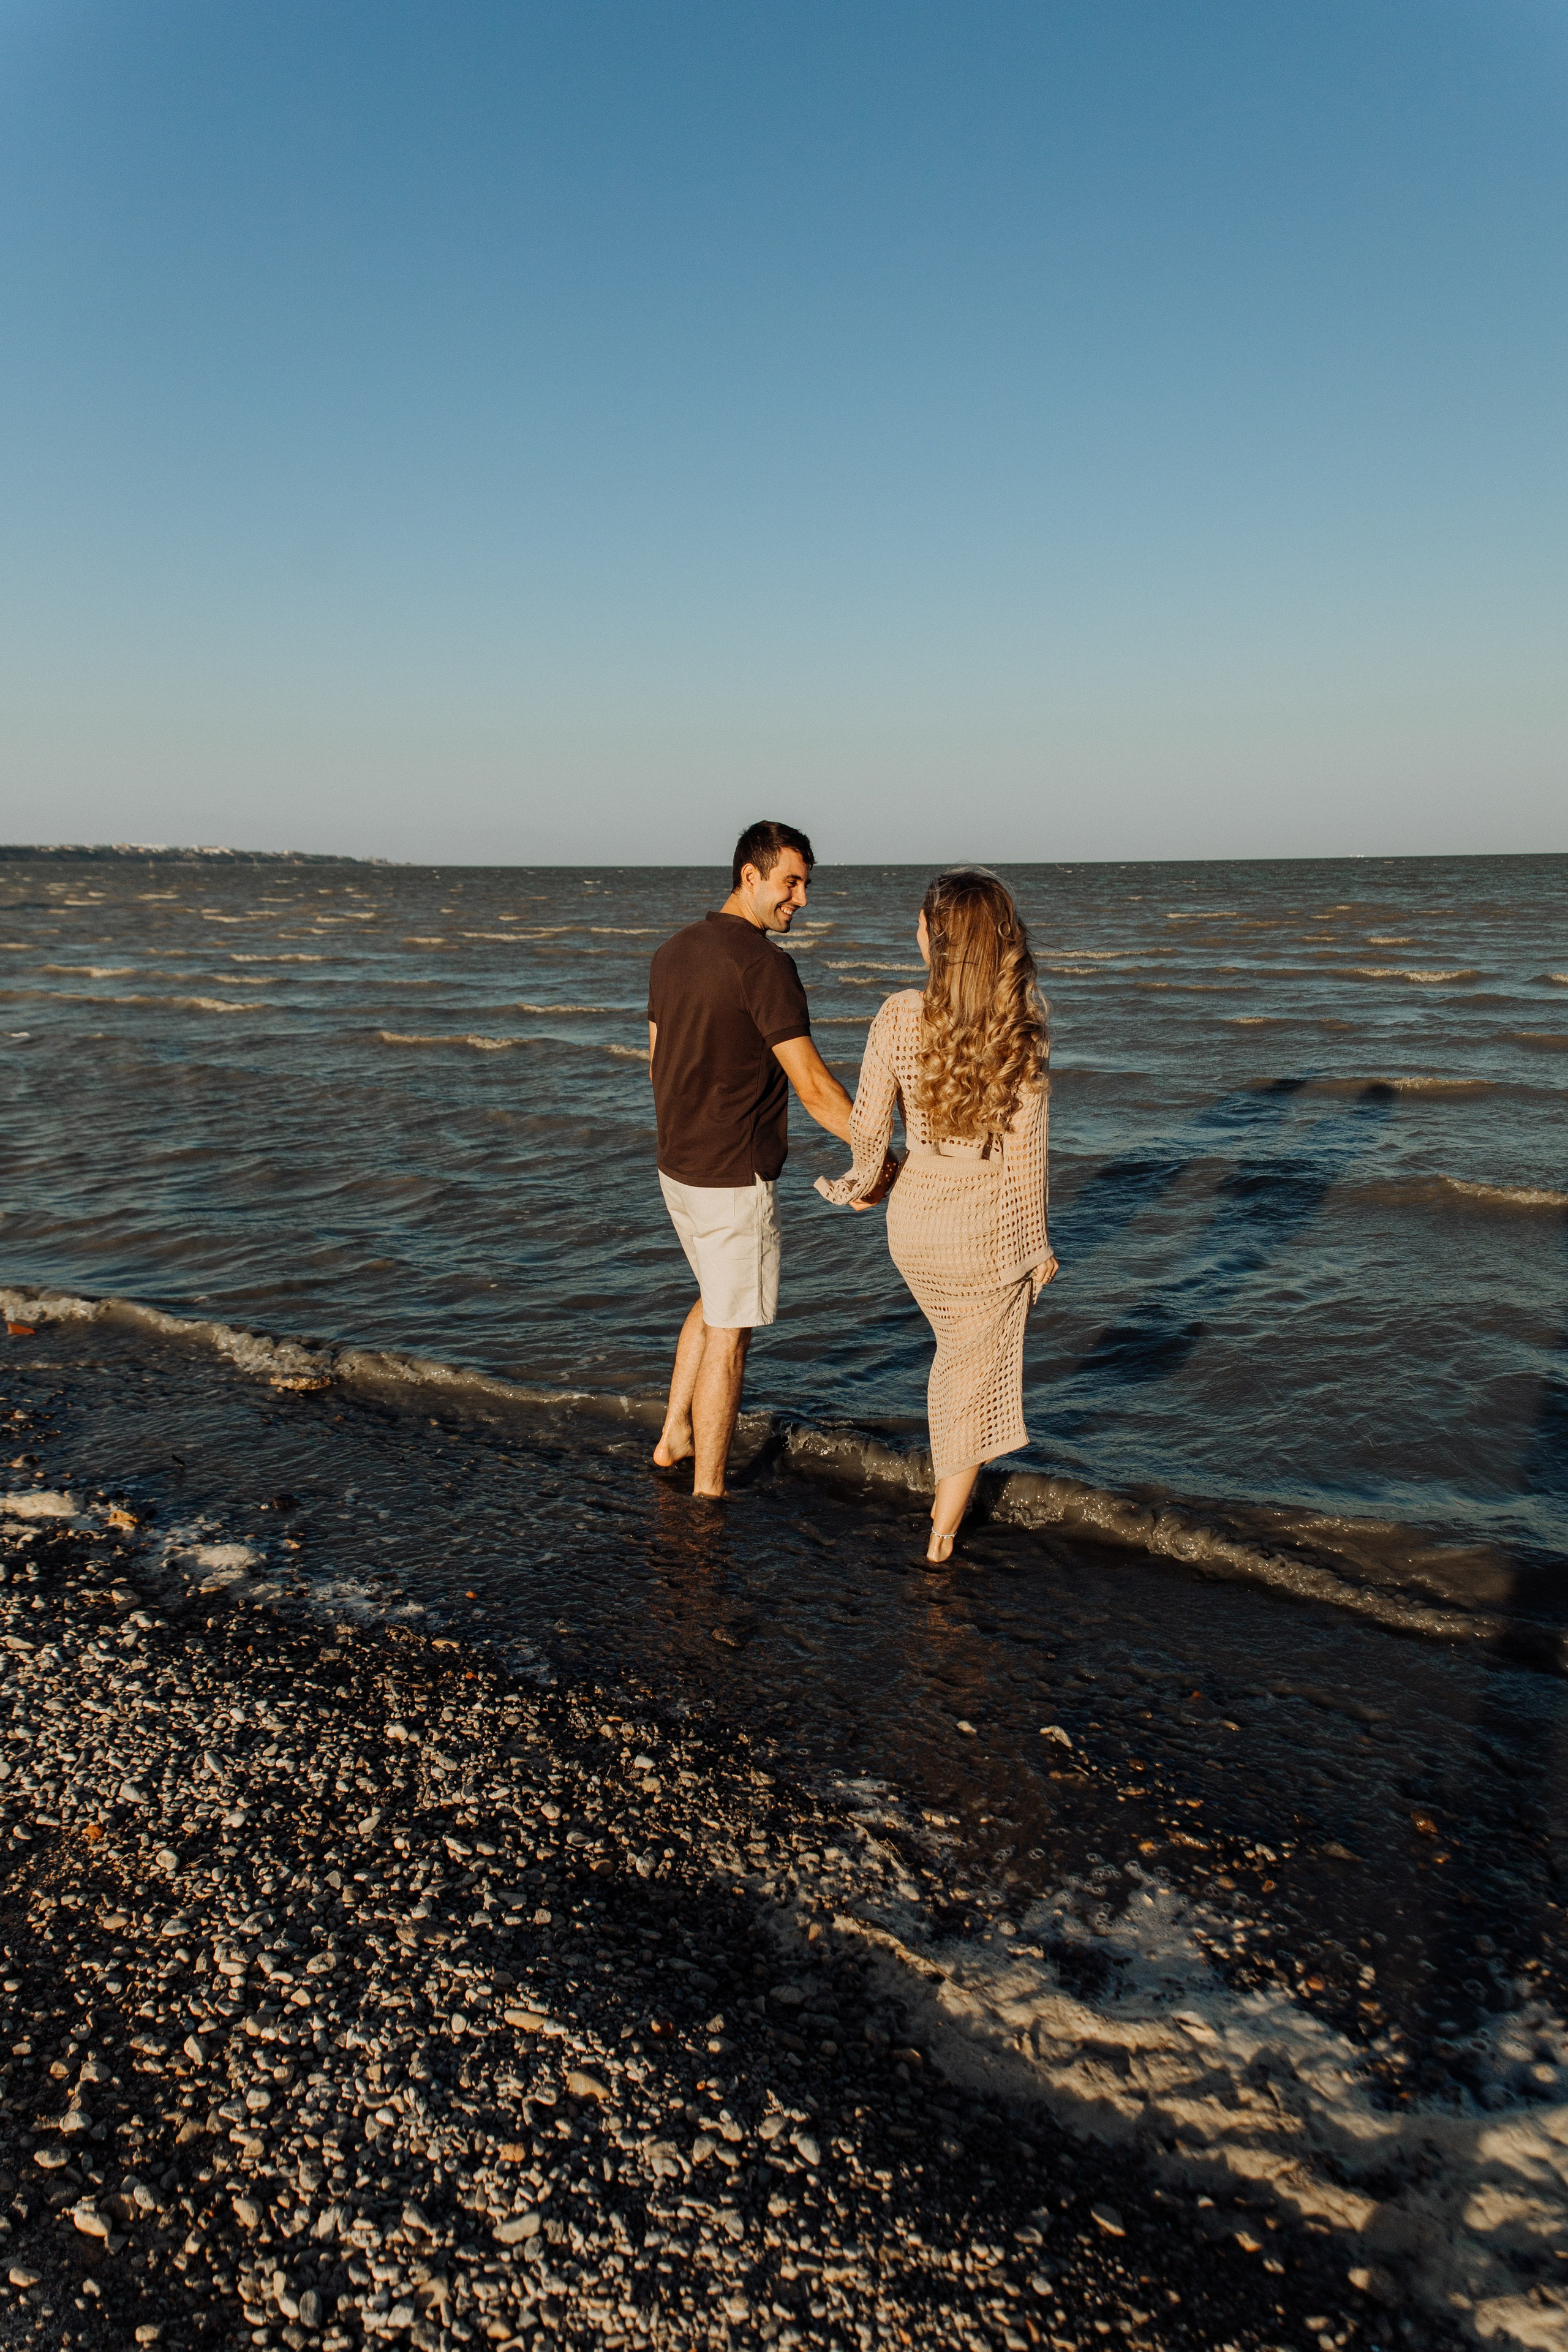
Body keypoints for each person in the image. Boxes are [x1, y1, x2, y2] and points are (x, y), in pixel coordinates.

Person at [647, 820, 895, 1499]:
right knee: (732, 1334)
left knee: (713, 1300)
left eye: (806, 884)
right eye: (790, 883)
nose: (802, 900)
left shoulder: (671, 953)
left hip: (677, 1166)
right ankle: (707, 1495)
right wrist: (881, 1160)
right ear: (748, 877)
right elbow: (815, 1087)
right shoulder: (764, 965)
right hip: (732, 1178)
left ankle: (674, 1433)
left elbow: (657, 1061)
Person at [816, 867, 1057, 1562]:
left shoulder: (897, 1014)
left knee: (955, 1362)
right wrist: (1035, 1246)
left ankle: (944, 1514)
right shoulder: (1019, 1031)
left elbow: (868, 1126)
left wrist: (862, 1181)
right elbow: (1026, 1158)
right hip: (981, 1229)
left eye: (919, 925)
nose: (913, 933)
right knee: (966, 1377)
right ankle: (941, 1539)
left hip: (915, 1223)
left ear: (936, 940)